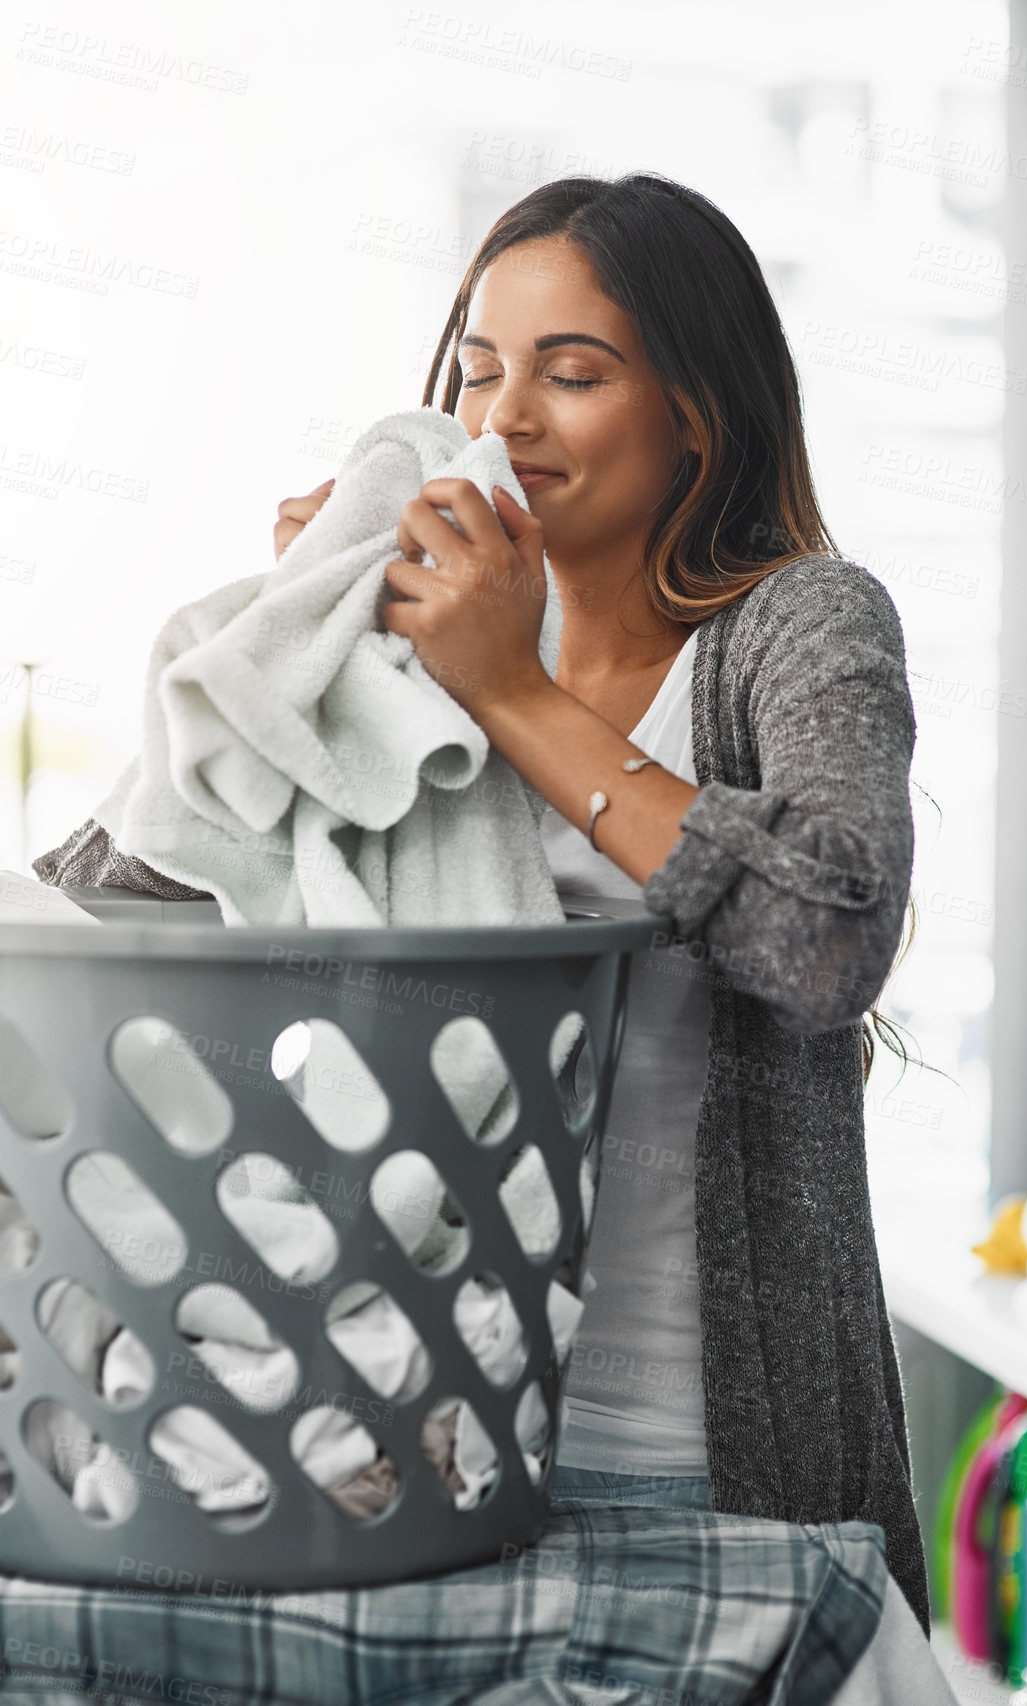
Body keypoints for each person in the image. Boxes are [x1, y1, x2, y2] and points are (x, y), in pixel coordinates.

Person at [35, 171, 930, 1633]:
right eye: (479, 368)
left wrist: (508, 689)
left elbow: (832, 934)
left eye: (572, 374)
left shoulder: (797, 625)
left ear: (699, 410)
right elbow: (109, 908)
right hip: (405, 1441)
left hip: (704, 1461)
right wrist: (297, 657)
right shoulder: (404, 655)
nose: (505, 419)